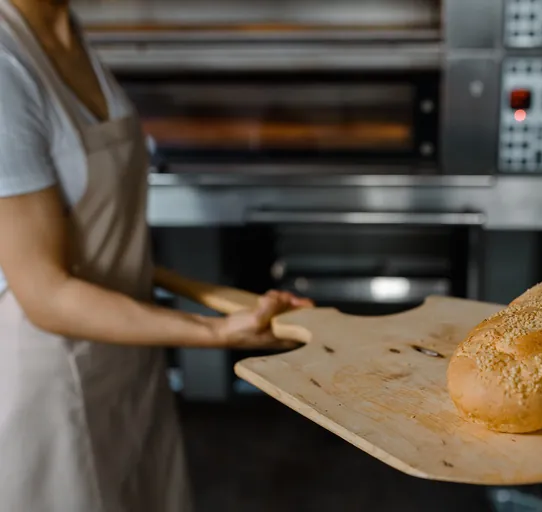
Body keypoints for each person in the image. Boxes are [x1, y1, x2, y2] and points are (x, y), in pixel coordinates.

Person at [0, 0, 313, 510]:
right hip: (53, 381)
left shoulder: (64, 26)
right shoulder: (5, 65)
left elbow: (95, 241)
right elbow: (45, 293)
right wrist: (214, 331)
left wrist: (221, 300)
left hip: (129, 358)